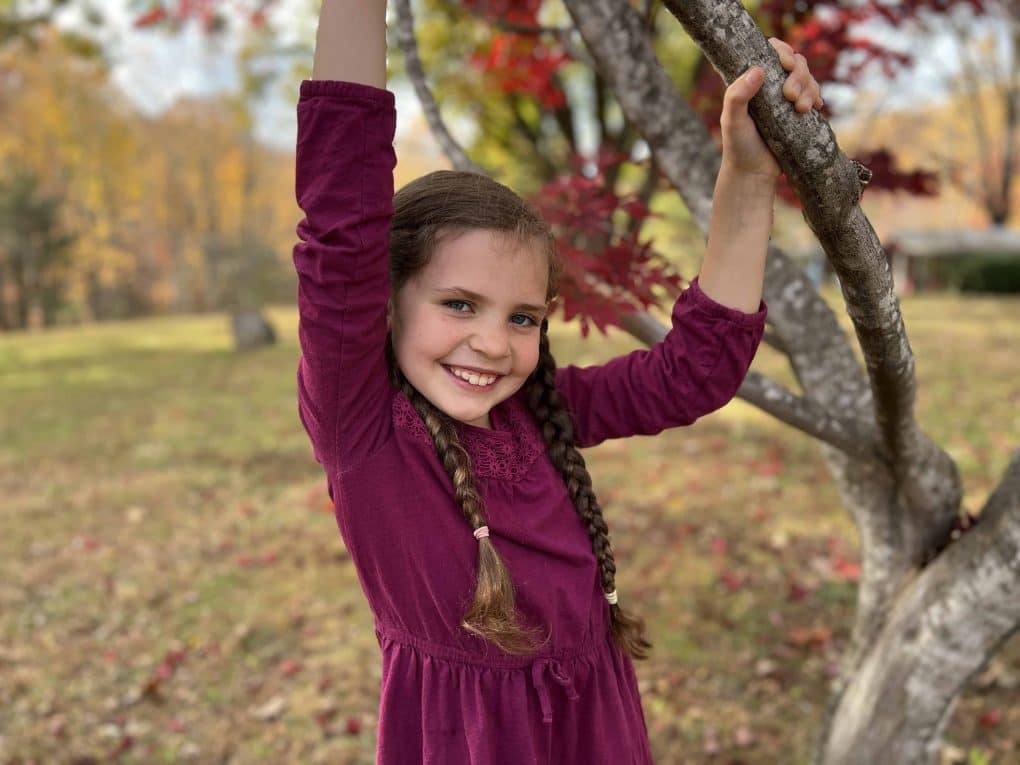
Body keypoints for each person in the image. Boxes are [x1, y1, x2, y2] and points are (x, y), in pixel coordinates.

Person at [293, 2, 822, 762]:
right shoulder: (361, 424)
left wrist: (746, 172)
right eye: (458, 304)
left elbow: (693, 373)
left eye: (522, 318)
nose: (492, 344)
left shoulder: (538, 408)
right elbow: (339, 224)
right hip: (468, 740)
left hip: (596, 727)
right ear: (384, 298)